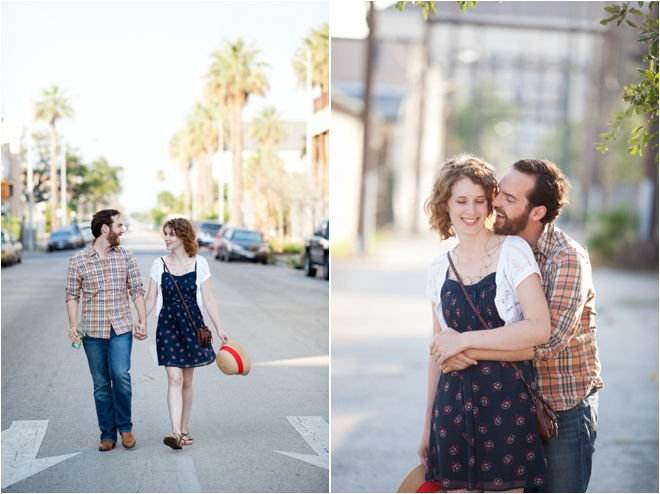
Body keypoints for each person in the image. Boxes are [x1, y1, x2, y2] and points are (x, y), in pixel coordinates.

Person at [431, 158, 603, 493]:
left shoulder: (566, 259)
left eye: (508, 199)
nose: (495, 202)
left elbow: (545, 342)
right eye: (499, 193)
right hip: (513, 401)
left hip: (563, 404)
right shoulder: (502, 245)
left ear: (536, 212)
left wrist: (460, 346)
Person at [419, 153, 552, 492]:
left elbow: (538, 329)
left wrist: (463, 342)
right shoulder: (438, 267)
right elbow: (437, 352)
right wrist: (427, 426)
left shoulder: (514, 251)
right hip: (451, 409)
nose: (471, 210)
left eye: (480, 200)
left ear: (490, 203)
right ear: (445, 205)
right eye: (461, 200)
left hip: (506, 405)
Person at [144, 218, 230, 449]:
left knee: (187, 382)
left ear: (183, 236)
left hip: (192, 325)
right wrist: (140, 320)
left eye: (171, 234)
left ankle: (184, 427)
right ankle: (175, 433)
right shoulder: (158, 264)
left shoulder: (199, 263)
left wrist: (219, 328)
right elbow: (150, 299)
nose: (167, 238)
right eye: (166, 234)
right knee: (175, 378)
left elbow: (209, 298)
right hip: (168, 326)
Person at [65, 209, 147, 451]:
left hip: (121, 327)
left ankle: (125, 428)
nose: (123, 229)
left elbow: (136, 290)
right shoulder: (78, 260)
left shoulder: (126, 257)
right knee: (101, 383)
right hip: (91, 331)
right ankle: (107, 435)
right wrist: (73, 324)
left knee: (121, 375)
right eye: (119, 225)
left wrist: (142, 319)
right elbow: (72, 295)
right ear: (105, 229)